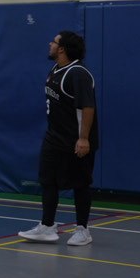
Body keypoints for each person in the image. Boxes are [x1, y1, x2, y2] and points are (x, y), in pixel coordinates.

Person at [19, 31, 98, 246]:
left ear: (62, 48)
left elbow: (88, 107)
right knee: (48, 181)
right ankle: (47, 226)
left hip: (76, 140)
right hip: (54, 137)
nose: (50, 44)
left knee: (80, 184)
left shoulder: (78, 73)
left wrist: (84, 139)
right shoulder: (56, 69)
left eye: (53, 42)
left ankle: (83, 230)